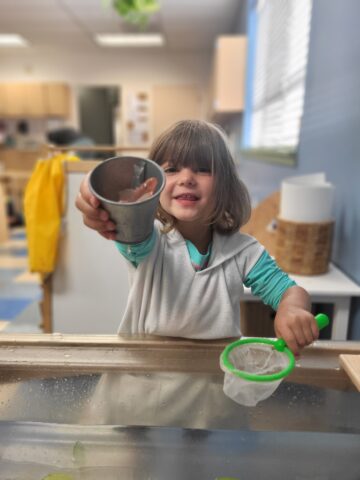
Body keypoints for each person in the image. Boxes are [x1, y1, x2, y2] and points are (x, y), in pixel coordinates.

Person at [75, 120, 317, 356]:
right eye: (171, 169)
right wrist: (96, 191)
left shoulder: (243, 251)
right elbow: (121, 210)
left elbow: (288, 291)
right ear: (153, 185)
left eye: (203, 169)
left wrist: (292, 309)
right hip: (144, 380)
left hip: (212, 382)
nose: (187, 178)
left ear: (226, 184)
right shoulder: (148, 241)